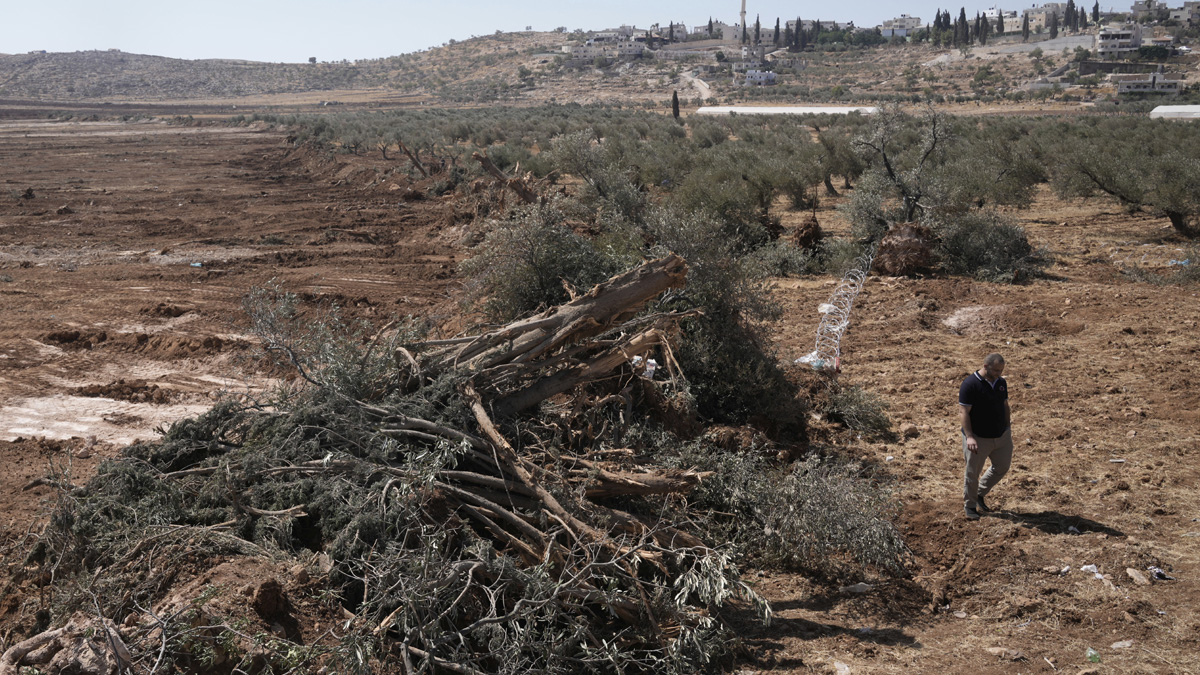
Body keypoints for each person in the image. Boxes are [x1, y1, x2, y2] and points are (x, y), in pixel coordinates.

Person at [958, 353, 1012, 521]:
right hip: (978, 438)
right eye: (996, 370)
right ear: (986, 366)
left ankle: (980, 492)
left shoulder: (1001, 383)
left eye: (1001, 370)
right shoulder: (970, 384)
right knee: (972, 473)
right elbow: (963, 412)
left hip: (1001, 436)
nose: (999, 373)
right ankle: (970, 506)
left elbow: (1005, 405)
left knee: (1002, 466)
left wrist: (1007, 426)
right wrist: (970, 437)